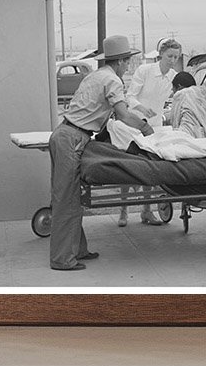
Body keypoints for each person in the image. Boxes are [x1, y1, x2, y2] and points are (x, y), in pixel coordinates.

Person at [48, 35, 153, 271]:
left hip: (63, 134)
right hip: (73, 138)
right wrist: (146, 127)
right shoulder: (113, 81)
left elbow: (102, 113)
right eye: (127, 62)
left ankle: (78, 250)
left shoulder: (95, 76)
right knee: (67, 201)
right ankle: (62, 259)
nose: (128, 67)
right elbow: (124, 115)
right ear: (122, 62)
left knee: (70, 198)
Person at [121, 37, 182, 226]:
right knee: (129, 166)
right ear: (161, 54)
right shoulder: (144, 70)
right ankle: (123, 210)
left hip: (155, 126)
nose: (172, 60)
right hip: (134, 123)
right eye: (169, 56)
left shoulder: (172, 76)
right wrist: (141, 109)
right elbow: (129, 96)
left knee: (150, 168)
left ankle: (146, 210)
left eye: (176, 57)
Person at [169, 70, 206, 139]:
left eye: (173, 88)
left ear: (179, 86)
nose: (172, 90)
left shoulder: (181, 94)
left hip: (186, 140)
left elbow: (175, 121)